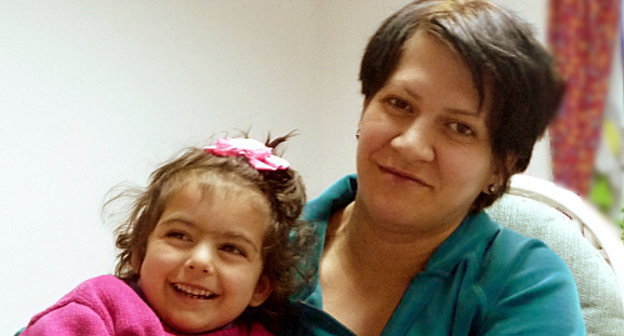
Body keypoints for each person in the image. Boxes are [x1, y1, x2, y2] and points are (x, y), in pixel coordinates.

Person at [283, 0, 585, 335]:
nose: (410, 145)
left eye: (460, 128)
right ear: (366, 106)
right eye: (399, 104)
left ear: (501, 167)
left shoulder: (526, 284)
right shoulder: (263, 245)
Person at [20, 134, 313, 336]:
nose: (200, 261)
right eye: (179, 235)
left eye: (231, 248)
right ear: (139, 251)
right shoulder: (102, 308)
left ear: (261, 286)